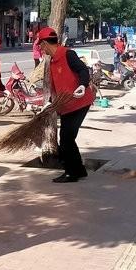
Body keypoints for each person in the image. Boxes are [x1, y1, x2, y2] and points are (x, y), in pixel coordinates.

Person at [36, 27, 95, 183]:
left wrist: (82, 85)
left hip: (80, 103)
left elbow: (83, 70)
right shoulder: (53, 61)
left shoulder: (67, 54)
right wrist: (49, 103)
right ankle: (79, 170)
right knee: (69, 138)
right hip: (66, 105)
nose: (40, 49)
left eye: (40, 45)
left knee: (66, 138)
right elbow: (57, 86)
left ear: (45, 43)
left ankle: (70, 173)